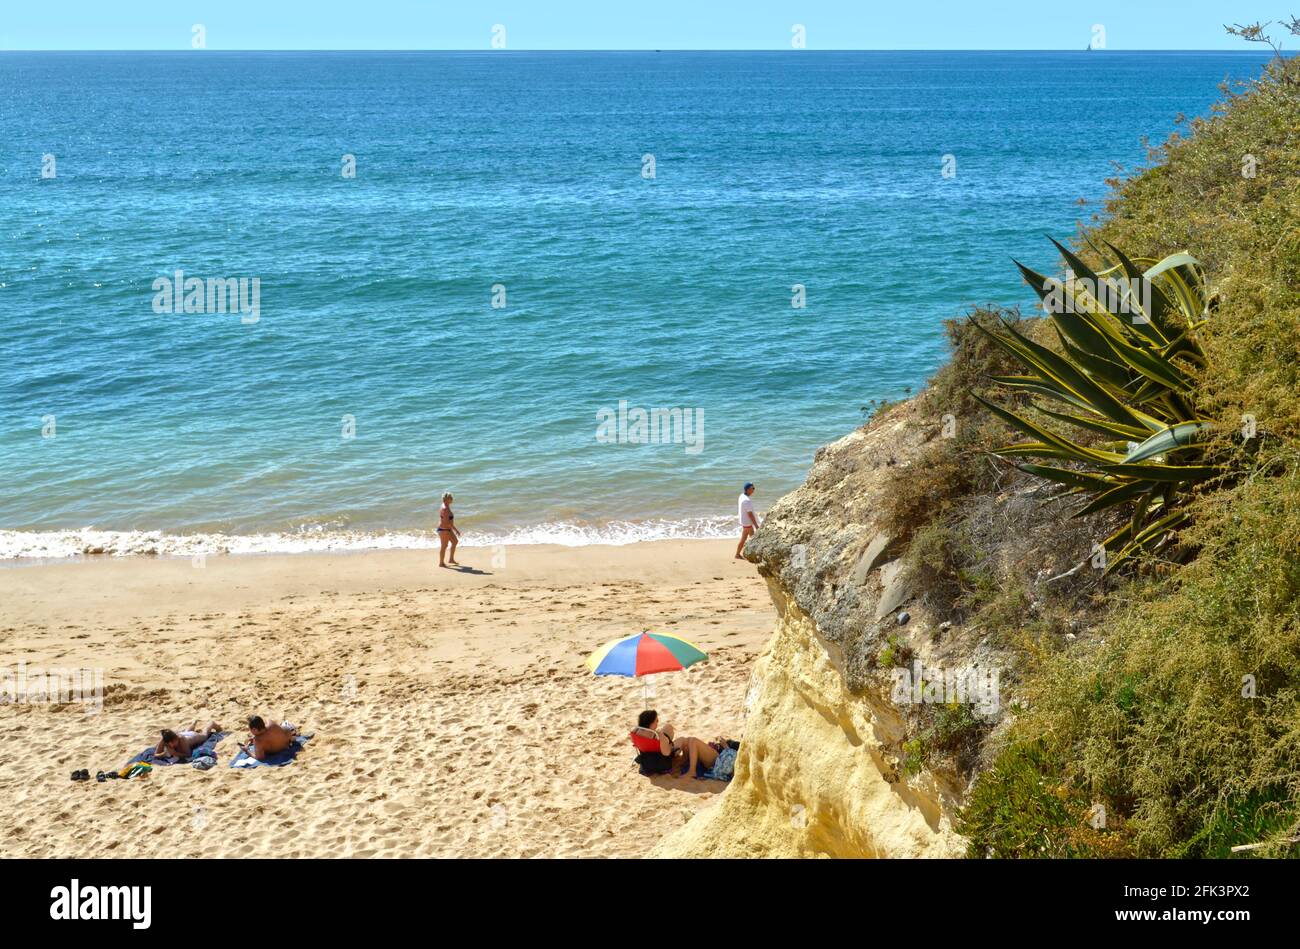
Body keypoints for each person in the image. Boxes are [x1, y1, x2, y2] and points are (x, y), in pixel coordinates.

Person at [629, 710, 718, 779]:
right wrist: (668, 742)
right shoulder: (658, 736)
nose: (658, 721)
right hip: (661, 758)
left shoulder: (635, 732)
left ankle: (683, 755)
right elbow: (667, 753)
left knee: (667, 727)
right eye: (656, 720)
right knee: (683, 740)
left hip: (647, 754)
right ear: (651, 724)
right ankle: (685, 760)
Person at [154, 720, 222, 761]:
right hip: (184, 733)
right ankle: (193, 724)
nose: (172, 745)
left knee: (205, 735)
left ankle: (211, 723)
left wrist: (175, 753)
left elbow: (188, 754)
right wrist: (163, 754)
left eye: (173, 742)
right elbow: (155, 755)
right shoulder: (165, 740)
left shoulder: (181, 739)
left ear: (175, 739)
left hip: (192, 737)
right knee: (187, 732)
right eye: (170, 743)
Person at [735, 482, 760, 559]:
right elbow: (750, 514)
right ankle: (738, 554)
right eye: (753, 488)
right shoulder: (747, 500)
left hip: (744, 521)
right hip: (747, 522)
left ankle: (738, 554)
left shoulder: (742, 496)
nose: (754, 490)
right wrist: (756, 525)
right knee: (748, 538)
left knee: (749, 538)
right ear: (748, 489)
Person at [437, 492, 462, 568]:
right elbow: (448, 523)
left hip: (447, 529)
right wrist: (456, 530)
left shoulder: (444, 506)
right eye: (450, 498)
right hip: (444, 529)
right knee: (444, 546)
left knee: (455, 541)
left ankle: (451, 559)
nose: (452, 499)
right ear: (447, 499)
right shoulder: (445, 508)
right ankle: (441, 563)